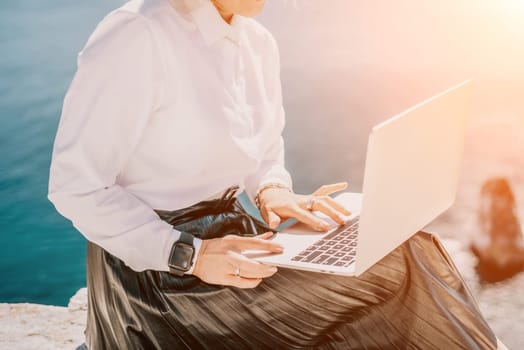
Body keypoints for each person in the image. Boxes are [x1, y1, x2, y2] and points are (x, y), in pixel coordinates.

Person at [48, 0, 500, 348]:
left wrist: (273, 190)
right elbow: (75, 186)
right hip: (161, 277)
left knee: (403, 243)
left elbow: (264, 148)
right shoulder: (136, 35)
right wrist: (191, 254)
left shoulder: (257, 40)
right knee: (395, 268)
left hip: (237, 239)